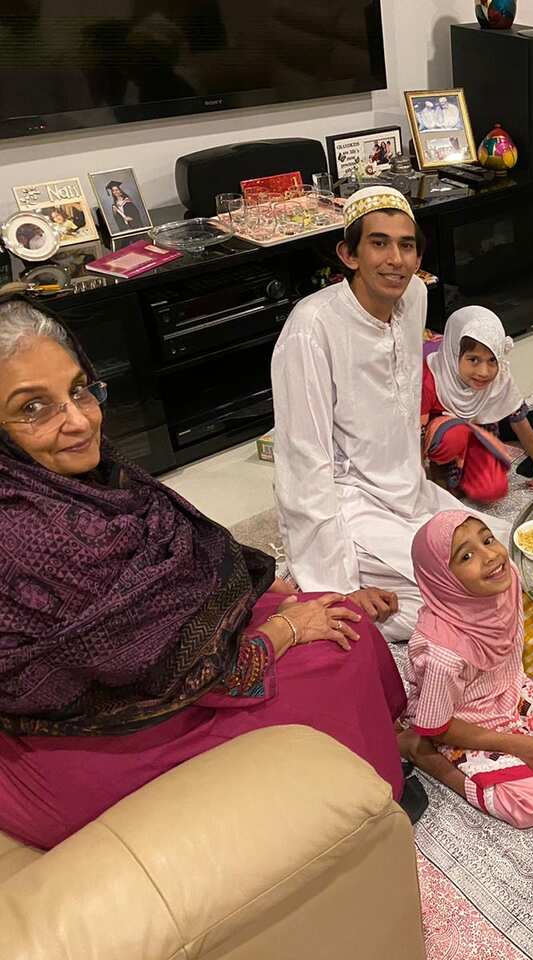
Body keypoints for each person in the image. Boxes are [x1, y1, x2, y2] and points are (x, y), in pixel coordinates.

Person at [0, 298, 415, 850]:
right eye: (34, 408)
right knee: (336, 650)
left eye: (79, 390)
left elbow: (171, 553)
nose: (77, 420)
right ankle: (363, 803)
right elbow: (161, 669)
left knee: (332, 613)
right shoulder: (23, 529)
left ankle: (380, 749)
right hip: (94, 734)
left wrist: (251, 586)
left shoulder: (76, 478)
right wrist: (282, 632)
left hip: (144, 668)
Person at [272, 186, 504, 642]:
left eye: (407, 244)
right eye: (379, 243)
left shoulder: (415, 294)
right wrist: (340, 587)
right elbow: (303, 459)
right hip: (348, 499)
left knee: (506, 552)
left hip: (408, 487)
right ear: (349, 254)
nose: (396, 259)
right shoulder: (311, 329)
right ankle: (311, 588)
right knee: (451, 603)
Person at [397, 511, 533, 828]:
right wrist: (516, 745)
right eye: (467, 555)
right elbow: (439, 725)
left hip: (509, 691)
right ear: (442, 580)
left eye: (488, 539)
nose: (491, 556)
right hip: (463, 720)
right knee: (532, 805)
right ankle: (421, 753)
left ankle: (512, 738)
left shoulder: (507, 581)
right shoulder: (442, 653)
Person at [422, 305, 533, 501]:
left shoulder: (500, 377)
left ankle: (466, 465)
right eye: (473, 359)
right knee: (453, 434)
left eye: (492, 360)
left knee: (491, 490)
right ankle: (442, 469)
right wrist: (418, 485)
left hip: (480, 436)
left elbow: (520, 422)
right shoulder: (431, 377)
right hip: (440, 441)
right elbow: (412, 436)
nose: (484, 372)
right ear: (454, 352)